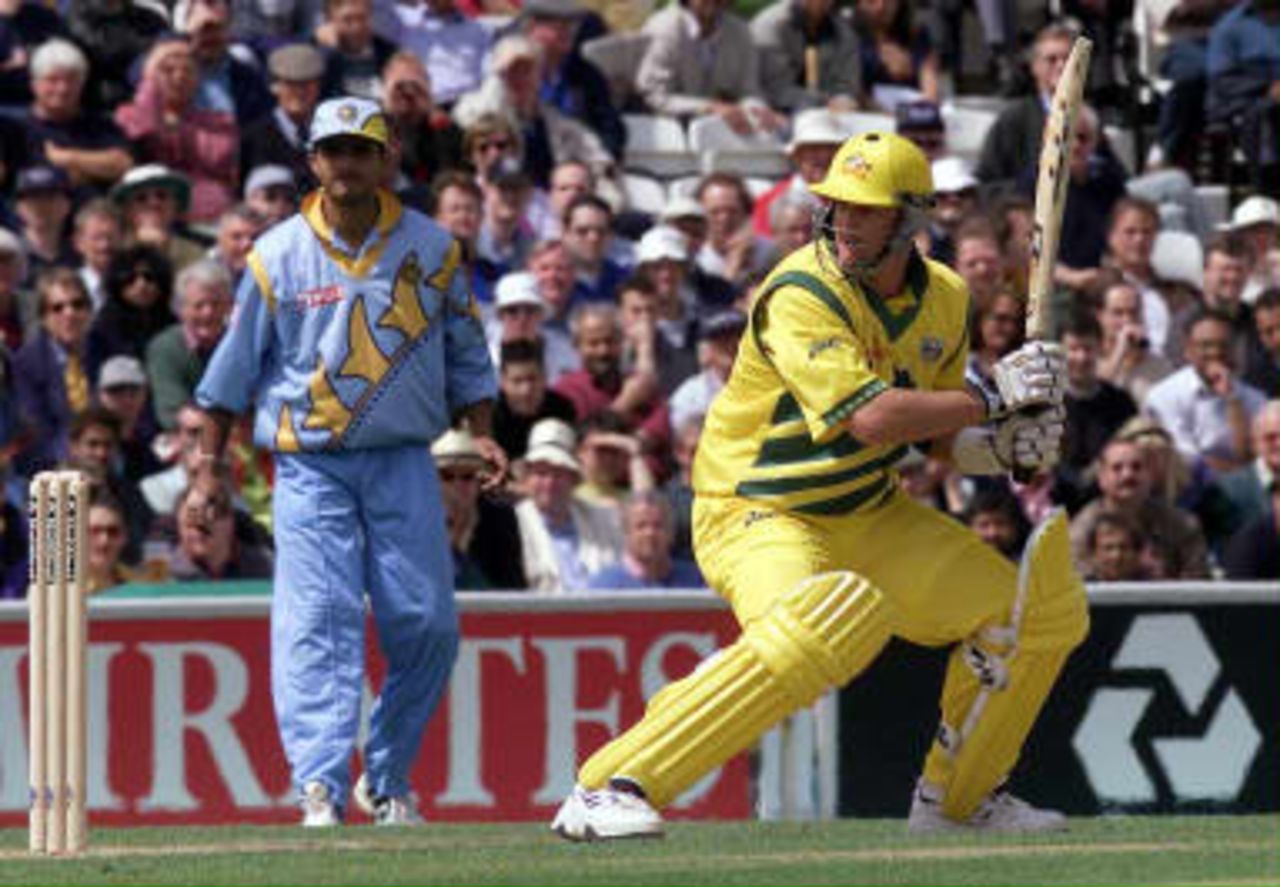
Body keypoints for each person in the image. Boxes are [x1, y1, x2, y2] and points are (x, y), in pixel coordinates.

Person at [550, 131, 1080, 840]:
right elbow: (871, 417)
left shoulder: (947, 297)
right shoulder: (800, 290)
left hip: (869, 510)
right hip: (757, 511)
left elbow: (932, 434)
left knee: (1034, 615)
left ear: (912, 219)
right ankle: (611, 784)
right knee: (819, 623)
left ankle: (960, 802)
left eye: (866, 209)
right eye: (837, 205)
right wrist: (995, 399)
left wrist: (1002, 448)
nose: (844, 221)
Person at [193, 96, 506, 827]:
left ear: (386, 156)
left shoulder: (433, 249)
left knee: (428, 624)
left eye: (360, 149)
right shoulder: (275, 255)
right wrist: (208, 470)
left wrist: (484, 429)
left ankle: (386, 775)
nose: (346, 163)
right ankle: (320, 785)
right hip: (309, 463)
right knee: (320, 620)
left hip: (403, 456)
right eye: (332, 150)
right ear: (313, 160)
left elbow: (468, 354)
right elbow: (229, 375)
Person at [1144, 310, 1268, 475]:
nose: (1215, 352)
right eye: (1205, 345)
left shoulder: (1255, 398)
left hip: (1244, 492)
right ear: (1188, 350)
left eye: (1224, 345)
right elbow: (1186, 461)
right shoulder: (1164, 396)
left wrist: (1233, 400)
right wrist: (1240, 474)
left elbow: (1252, 454)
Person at [1069, 437, 1210, 579]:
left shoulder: (1182, 524)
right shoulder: (1081, 530)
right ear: (1101, 477)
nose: (1128, 475)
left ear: (1150, 475)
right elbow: (1077, 581)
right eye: (1117, 468)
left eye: (1136, 467)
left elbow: (1198, 579)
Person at [514, 417, 623, 592]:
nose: (549, 483)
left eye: (558, 474)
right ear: (527, 479)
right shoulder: (512, 524)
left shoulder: (605, 518)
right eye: (541, 473)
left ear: (573, 479)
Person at [431, 427, 526, 589]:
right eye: (447, 476)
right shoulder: (412, 522)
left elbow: (512, 590)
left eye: (467, 477)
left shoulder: (500, 523)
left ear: (477, 482)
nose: (458, 485)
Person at [587, 492, 704, 589]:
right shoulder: (604, 587)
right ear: (626, 532)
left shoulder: (696, 582)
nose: (650, 533)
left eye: (658, 525)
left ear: (670, 532)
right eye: (641, 526)